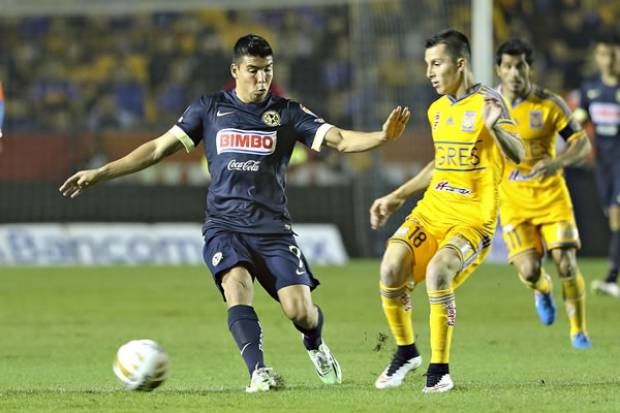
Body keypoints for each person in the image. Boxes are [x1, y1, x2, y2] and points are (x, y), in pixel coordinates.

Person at [59, 34, 411, 393]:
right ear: (235, 71)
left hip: (274, 229)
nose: (261, 79)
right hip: (224, 225)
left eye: (267, 71)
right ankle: (258, 372)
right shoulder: (209, 109)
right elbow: (156, 149)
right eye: (253, 71)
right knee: (235, 285)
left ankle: (315, 343)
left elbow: (338, 139)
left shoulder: (288, 113)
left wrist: (380, 138)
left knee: (299, 311)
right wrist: (101, 173)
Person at [369, 29, 524, 393]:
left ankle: (439, 371)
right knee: (391, 266)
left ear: (460, 63)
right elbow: (442, 162)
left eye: (436, 64)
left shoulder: (491, 103)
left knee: (439, 272)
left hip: (472, 221)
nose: (429, 72)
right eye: (427, 65)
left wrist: (494, 129)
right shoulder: (437, 110)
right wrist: (396, 196)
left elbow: (519, 154)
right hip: (433, 211)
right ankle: (406, 352)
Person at [495, 39, 592, 348]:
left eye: (520, 65)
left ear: (530, 68)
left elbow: (582, 143)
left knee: (566, 262)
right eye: (508, 66)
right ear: (499, 69)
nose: (514, 73)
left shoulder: (550, 103)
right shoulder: (488, 106)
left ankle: (578, 331)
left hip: (552, 196)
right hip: (512, 201)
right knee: (529, 269)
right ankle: (541, 288)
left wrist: (558, 162)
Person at [575, 33, 620, 297]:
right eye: (604, 54)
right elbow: (577, 120)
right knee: (612, 217)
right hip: (603, 165)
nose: (609, 60)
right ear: (597, 58)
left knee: (616, 214)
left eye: (614, 54)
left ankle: (612, 277)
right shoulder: (590, 89)